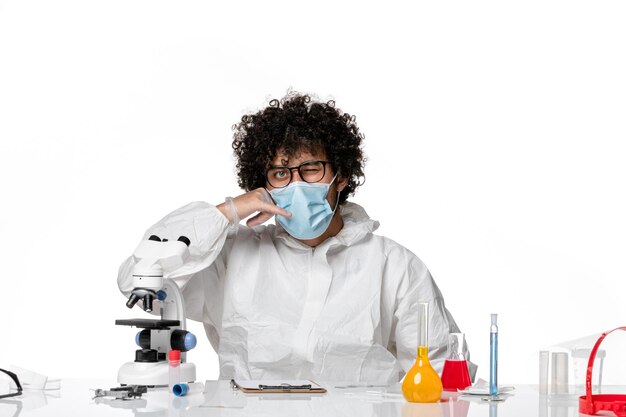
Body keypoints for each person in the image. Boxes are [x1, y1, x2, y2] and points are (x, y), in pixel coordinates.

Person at [118, 92, 476, 383]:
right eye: (280, 173)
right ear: (262, 183)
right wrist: (228, 211)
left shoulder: (394, 267)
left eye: (311, 169)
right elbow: (138, 274)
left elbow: (443, 377)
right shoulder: (232, 256)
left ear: (341, 176)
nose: (296, 184)